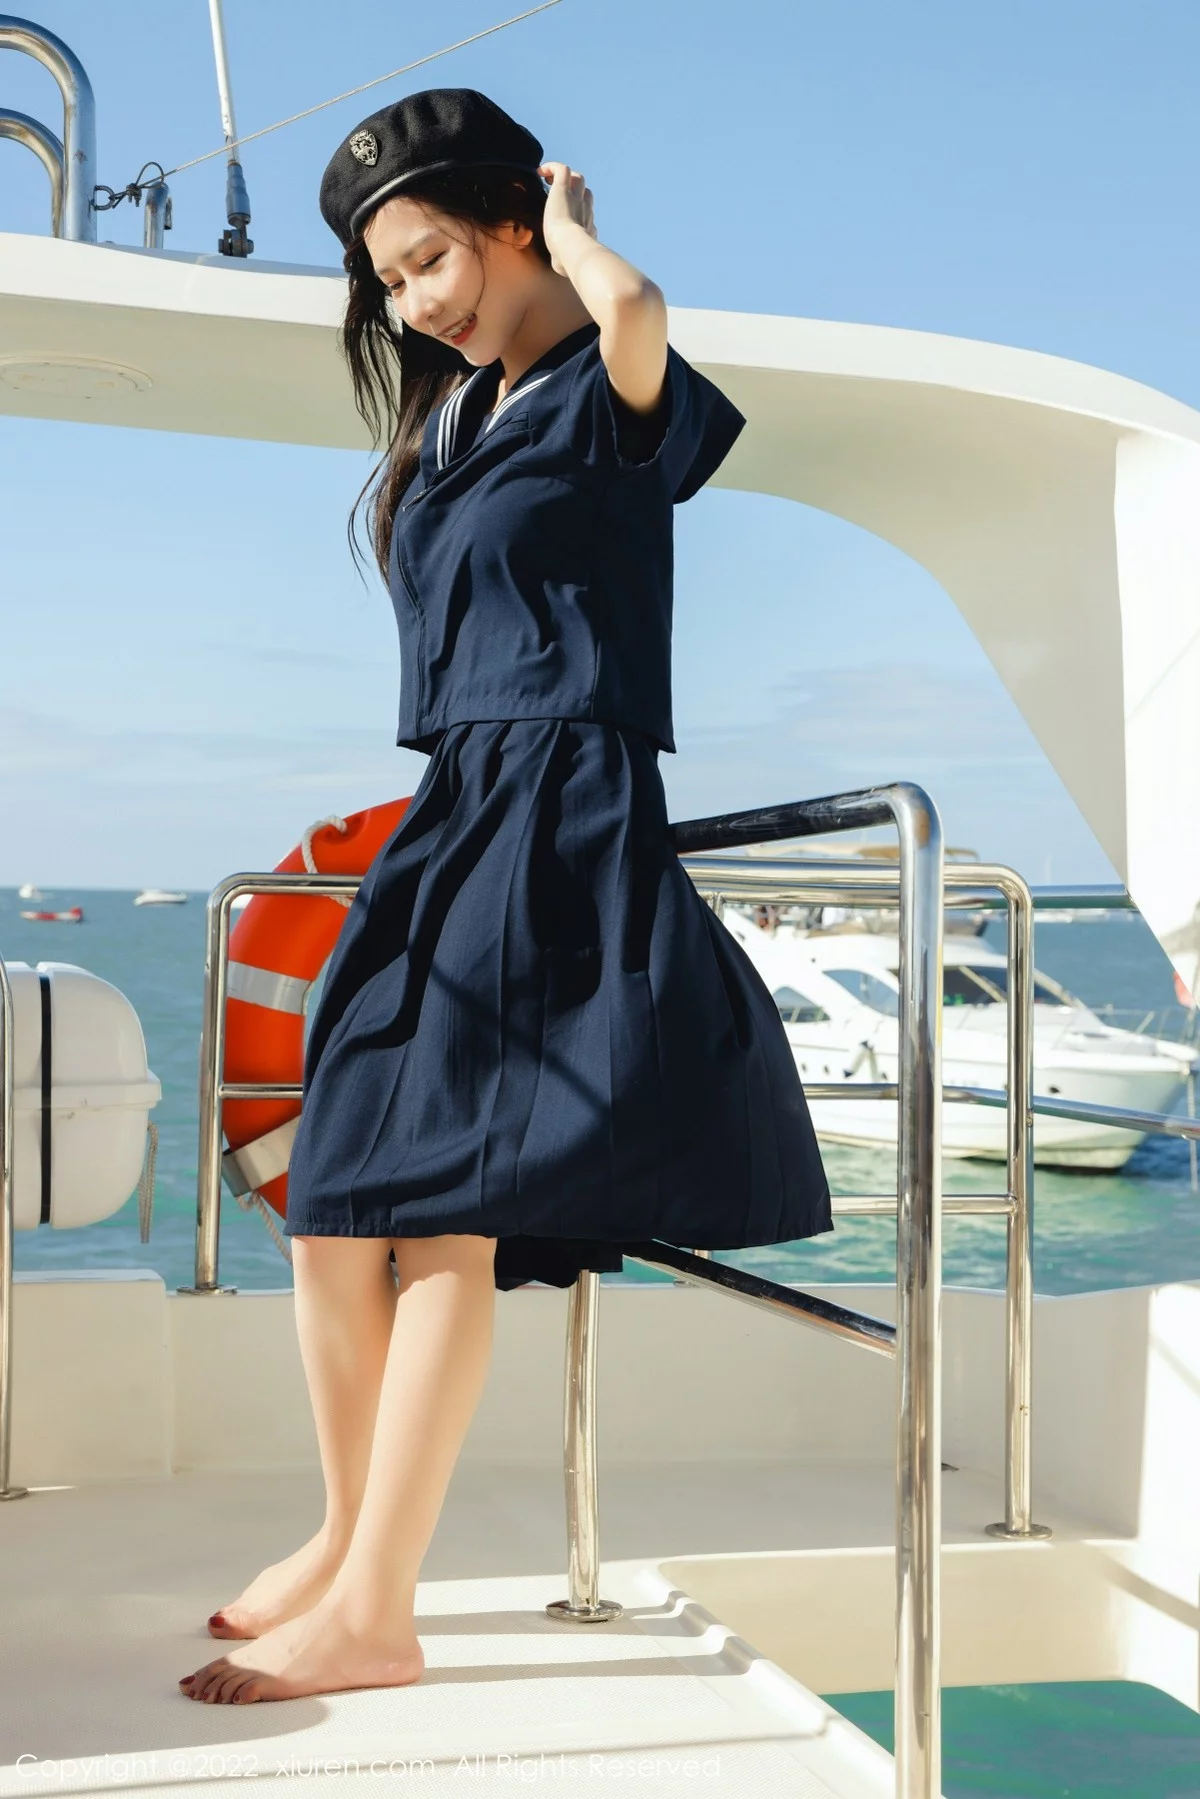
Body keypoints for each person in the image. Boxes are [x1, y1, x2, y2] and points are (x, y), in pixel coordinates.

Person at [179, 86, 832, 1706]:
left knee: (439, 1208)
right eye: (390, 283)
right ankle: (344, 1539)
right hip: (459, 804)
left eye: (432, 261)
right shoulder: (456, 418)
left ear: (512, 223)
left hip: (562, 805)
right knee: (339, 1191)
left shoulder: (609, 388)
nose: (415, 304)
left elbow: (644, 320)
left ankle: (377, 1605)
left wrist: (588, 243)